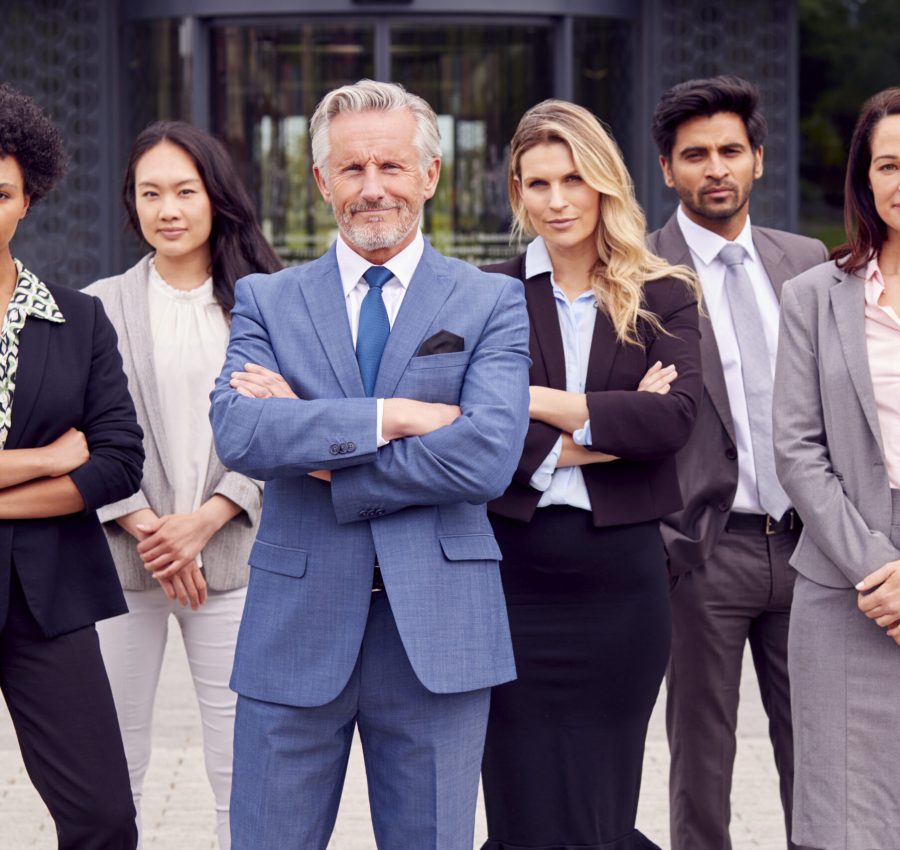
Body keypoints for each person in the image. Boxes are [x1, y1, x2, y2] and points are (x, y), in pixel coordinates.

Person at [209, 79, 531, 850]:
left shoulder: (491, 301)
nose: (373, 188)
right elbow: (242, 433)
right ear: (322, 182)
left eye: (392, 166)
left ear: (430, 175)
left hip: (439, 630)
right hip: (296, 627)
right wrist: (396, 419)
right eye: (352, 170)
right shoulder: (265, 299)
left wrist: (321, 450)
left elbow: (486, 457)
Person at [479, 99, 702, 850]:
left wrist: (541, 404)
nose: (558, 200)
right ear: (517, 192)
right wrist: (608, 422)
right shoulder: (488, 296)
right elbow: (480, 437)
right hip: (510, 577)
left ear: (605, 183)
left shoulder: (665, 292)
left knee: (601, 809)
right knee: (520, 807)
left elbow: (671, 424)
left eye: (574, 178)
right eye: (537, 183)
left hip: (622, 586)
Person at [83, 122, 278, 849]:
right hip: (116, 567)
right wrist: (148, 526)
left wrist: (206, 519)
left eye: (184, 191)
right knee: (110, 769)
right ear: (131, 206)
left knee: (242, 769)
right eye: (150, 193)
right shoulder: (95, 304)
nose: (168, 209)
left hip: (233, 564)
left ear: (215, 198)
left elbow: (285, 427)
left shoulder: (266, 301)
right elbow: (79, 432)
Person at [647, 75, 828, 850]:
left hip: (809, 547)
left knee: (821, 757)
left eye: (729, 151)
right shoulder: (640, 269)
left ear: (757, 158)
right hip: (700, 551)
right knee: (703, 761)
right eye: (694, 155)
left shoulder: (808, 261)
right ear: (667, 170)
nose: (713, 168)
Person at [0, 83, 144, 848]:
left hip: (47, 595)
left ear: (29, 199)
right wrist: (45, 460)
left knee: (102, 817)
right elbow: (79, 460)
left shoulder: (78, 318)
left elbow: (119, 462)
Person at [773, 87, 900, 850]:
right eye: (888, 164)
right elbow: (796, 447)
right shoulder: (813, 297)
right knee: (846, 824)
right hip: (844, 585)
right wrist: (882, 569)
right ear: (865, 177)